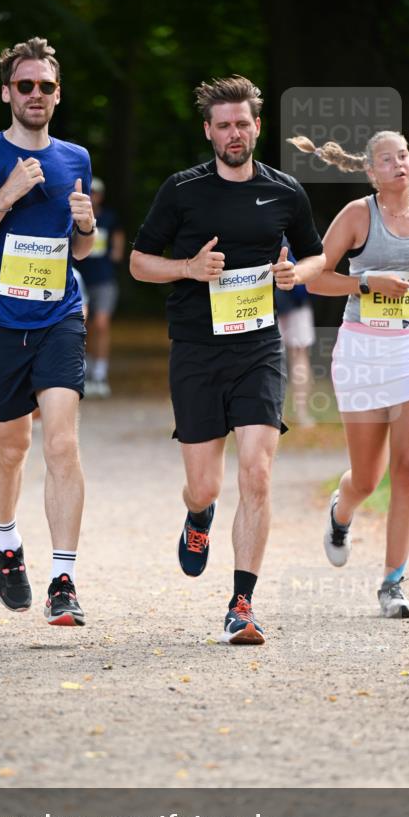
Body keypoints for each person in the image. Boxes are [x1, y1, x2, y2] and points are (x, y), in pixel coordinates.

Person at [130, 76, 325, 645]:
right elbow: (141, 262)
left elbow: (315, 258)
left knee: (258, 473)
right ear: (209, 131)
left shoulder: (286, 191)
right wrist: (188, 268)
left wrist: (296, 274)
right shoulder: (182, 190)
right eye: (224, 125)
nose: (234, 133)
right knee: (205, 486)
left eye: (243, 123)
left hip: (259, 346)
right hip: (195, 348)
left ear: (257, 126)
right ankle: (197, 518)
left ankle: (242, 603)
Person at [0, 36, 96, 625]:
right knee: (13, 445)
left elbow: (77, 249)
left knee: (61, 442)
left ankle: (65, 579)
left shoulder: (75, 157)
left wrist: (86, 228)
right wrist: (4, 197)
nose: (36, 94)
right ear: (7, 93)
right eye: (25, 85)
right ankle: (7, 543)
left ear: (58, 95)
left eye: (46, 86)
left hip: (59, 315)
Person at [289, 132, 409, 618]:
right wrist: (365, 281)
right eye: (387, 159)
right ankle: (343, 512)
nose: (398, 163)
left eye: (403, 155)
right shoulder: (358, 216)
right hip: (362, 351)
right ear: (371, 172)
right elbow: (314, 276)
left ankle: (393, 582)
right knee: (367, 476)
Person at [74, 177, 125, 397]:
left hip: (103, 280)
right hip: (79, 278)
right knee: (79, 325)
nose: (92, 196)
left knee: (101, 324)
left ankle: (100, 372)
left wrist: (115, 255)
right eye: (89, 192)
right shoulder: (74, 216)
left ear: (100, 196)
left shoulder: (110, 218)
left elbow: (118, 243)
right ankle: (82, 368)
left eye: (95, 192)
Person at [275, 242, 317, 427]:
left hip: (267, 300)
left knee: (269, 359)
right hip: (294, 298)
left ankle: (275, 413)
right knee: (299, 356)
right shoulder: (291, 220)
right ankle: (301, 413)